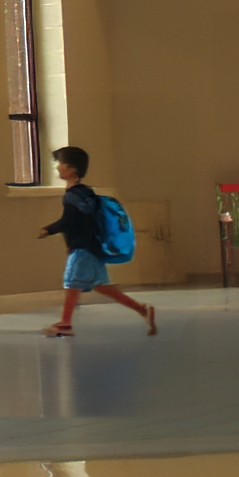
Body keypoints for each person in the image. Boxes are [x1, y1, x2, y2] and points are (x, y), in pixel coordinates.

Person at [38, 145, 156, 338]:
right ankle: (143, 310)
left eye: (61, 163)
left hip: (82, 249)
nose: (58, 167)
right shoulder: (87, 193)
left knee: (71, 284)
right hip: (92, 247)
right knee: (103, 287)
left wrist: (48, 229)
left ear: (72, 168)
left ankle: (65, 324)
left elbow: (69, 221)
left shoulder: (73, 195)